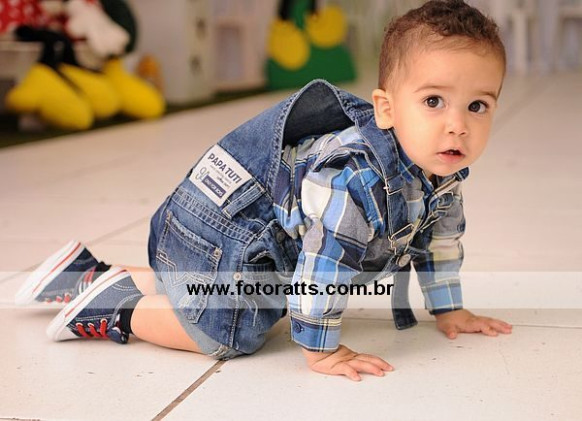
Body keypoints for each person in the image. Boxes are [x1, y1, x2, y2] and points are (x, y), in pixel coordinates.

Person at [16, 0, 513, 381]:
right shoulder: (358, 180)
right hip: (220, 235)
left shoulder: (441, 175)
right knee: (229, 331)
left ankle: (85, 275)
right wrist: (322, 350)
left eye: (477, 106)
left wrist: (449, 308)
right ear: (386, 109)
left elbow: (439, 243)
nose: (457, 125)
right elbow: (323, 269)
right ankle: (113, 310)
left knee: (208, 288)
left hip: (214, 239)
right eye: (433, 101)